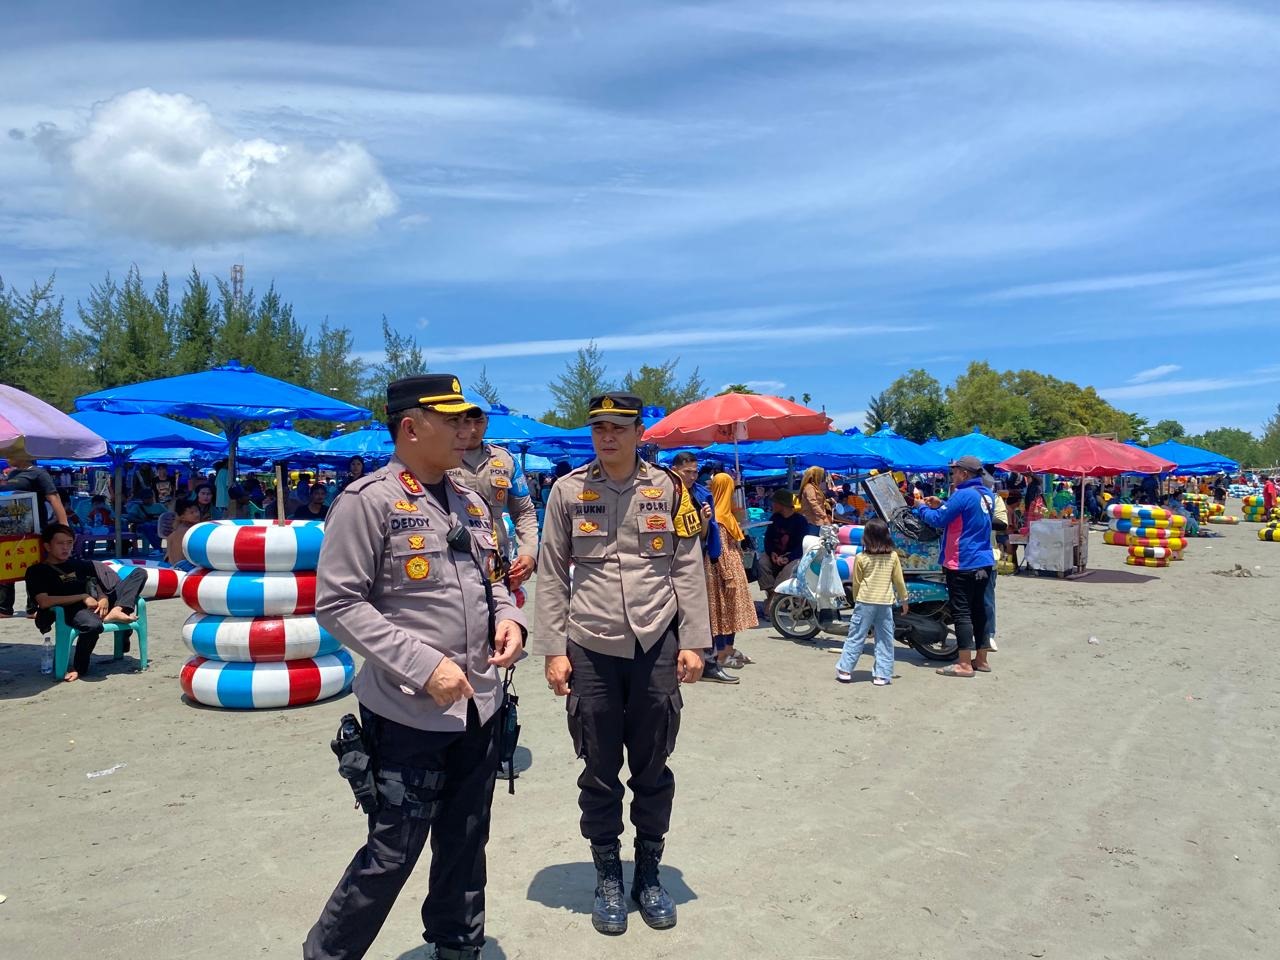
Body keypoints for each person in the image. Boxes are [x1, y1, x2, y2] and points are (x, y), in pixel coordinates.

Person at [304, 375, 526, 960]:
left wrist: (512, 620)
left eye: (466, 420)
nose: (465, 430)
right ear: (411, 427)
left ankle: (457, 947)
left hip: (479, 707)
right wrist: (424, 666)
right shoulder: (367, 501)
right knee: (391, 854)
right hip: (407, 715)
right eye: (450, 420)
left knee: (465, 842)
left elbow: (495, 582)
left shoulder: (472, 501)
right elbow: (339, 602)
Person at [533, 391, 709, 936]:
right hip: (591, 642)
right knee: (600, 767)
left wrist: (694, 640)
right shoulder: (567, 491)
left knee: (654, 765)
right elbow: (551, 570)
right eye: (599, 428)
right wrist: (554, 649)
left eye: (618, 427)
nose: (607, 436)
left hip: (656, 639)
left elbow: (685, 564)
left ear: (639, 433)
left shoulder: (668, 488)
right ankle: (608, 873)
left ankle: (649, 873)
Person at [26, 523, 147, 682]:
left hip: (98, 605)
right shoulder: (38, 571)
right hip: (72, 610)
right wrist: (82, 596)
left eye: (69, 543)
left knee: (139, 573)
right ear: (48, 546)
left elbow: (98, 583)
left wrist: (103, 598)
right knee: (93, 626)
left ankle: (117, 610)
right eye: (60, 543)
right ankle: (79, 667)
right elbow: (44, 602)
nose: (66, 548)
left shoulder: (79, 564)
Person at [914, 455, 995, 678]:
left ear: (964, 474)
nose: (953, 475)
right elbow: (962, 514)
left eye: (955, 472)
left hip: (962, 562)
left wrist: (921, 508)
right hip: (984, 561)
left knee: (961, 613)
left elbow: (938, 521)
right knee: (980, 611)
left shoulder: (962, 494)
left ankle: (964, 664)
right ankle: (982, 660)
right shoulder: (986, 494)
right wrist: (941, 504)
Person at [449, 406, 540, 590]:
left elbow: (523, 511)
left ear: (487, 423)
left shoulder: (505, 460)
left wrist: (529, 552)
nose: (473, 429)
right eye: (466, 421)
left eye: (479, 421)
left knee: (499, 608)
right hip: (451, 559)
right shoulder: (440, 457)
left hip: (495, 558)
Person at [669, 453, 736, 685]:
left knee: (700, 610)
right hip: (667, 559)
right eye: (687, 472)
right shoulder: (665, 492)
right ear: (674, 469)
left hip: (697, 557)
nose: (692, 476)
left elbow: (706, 535)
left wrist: (704, 520)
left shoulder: (702, 494)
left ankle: (708, 662)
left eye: (695, 472)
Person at [835, 519, 908, 685]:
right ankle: (882, 675)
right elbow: (898, 581)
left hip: (865, 601)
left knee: (856, 636)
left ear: (866, 538)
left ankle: (846, 670)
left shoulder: (861, 557)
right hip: (885, 603)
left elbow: (857, 583)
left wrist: (854, 600)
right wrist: (904, 600)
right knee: (885, 638)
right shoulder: (893, 557)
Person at [0, 450, 69, 618]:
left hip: (34, 528)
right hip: (11, 529)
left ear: (23, 455)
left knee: (35, 567)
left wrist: (64, 526)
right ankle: (4, 608)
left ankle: (34, 607)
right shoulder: (13, 473)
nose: (6, 457)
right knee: (7, 563)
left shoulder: (39, 473)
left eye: (10, 454)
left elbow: (54, 499)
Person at [703, 472, 758, 671]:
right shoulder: (718, 519)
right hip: (722, 573)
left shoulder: (727, 515)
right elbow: (720, 552)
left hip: (731, 570)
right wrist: (728, 576)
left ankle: (729, 648)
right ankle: (721, 653)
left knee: (732, 612)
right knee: (723, 613)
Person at [758, 489, 809, 618]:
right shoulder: (775, 518)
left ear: (782, 505)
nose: (772, 505)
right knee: (762, 562)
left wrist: (788, 558)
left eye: (774, 503)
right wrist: (772, 553)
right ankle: (773, 596)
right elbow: (768, 539)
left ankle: (773, 600)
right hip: (776, 554)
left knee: (788, 570)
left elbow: (802, 545)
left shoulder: (800, 521)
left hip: (793, 556)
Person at [166, 498, 202, 566]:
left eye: (197, 511)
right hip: (181, 566)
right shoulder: (186, 530)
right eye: (192, 513)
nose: (196, 514)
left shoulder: (179, 528)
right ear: (182, 517)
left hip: (173, 565)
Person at [798, 466, 833, 534]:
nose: (821, 478)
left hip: (816, 521)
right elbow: (813, 503)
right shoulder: (809, 487)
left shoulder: (813, 487)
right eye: (820, 476)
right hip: (811, 522)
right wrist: (824, 516)